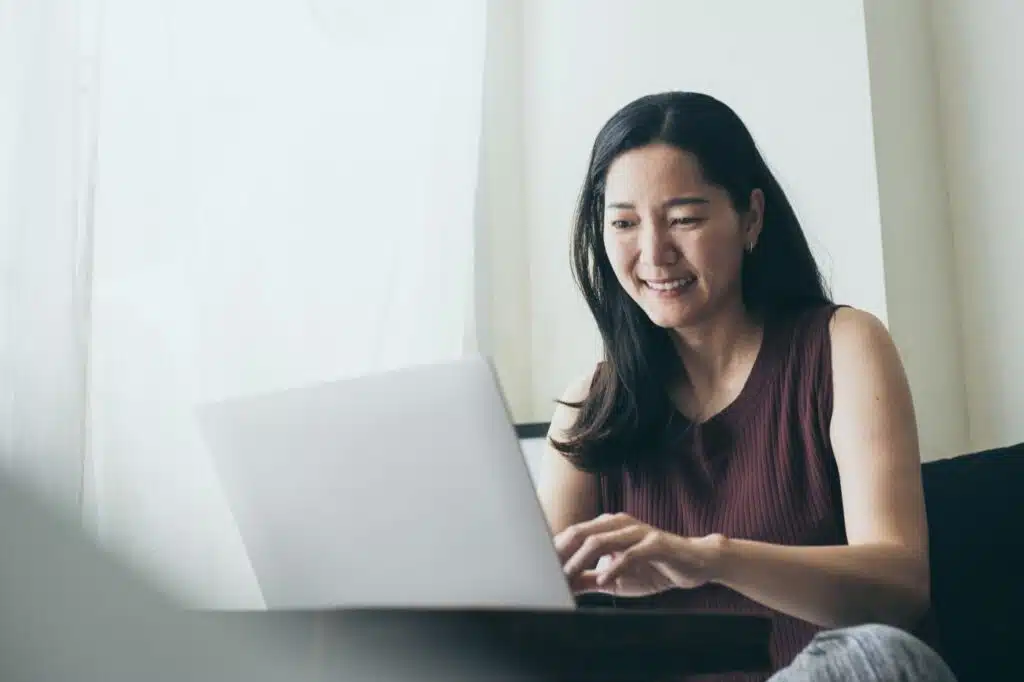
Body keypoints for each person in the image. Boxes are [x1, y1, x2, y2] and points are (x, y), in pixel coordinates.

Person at [537, 92, 957, 682]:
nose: (654, 253)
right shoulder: (587, 411)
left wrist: (707, 559)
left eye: (684, 218)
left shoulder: (842, 346)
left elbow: (900, 590)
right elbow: (534, 629)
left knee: (881, 662)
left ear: (751, 217)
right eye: (625, 223)